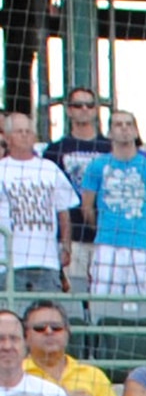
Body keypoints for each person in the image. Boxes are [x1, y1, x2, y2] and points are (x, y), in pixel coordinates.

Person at [76, 109, 146, 296]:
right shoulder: (96, 166)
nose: (124, 129)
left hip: (141, 246)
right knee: (102, 299)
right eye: (118, 124)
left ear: (135, 131)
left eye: (128, 124)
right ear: (109, 133)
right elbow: (87, 207)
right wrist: (104, 228)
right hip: (107, 245)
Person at [0, 112, 79, 292]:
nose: (25, 135)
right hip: (10, 262)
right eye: (19, 131)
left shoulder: (50, 169)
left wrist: (66, 246)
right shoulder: (2, 170)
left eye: (28, 131)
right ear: (7, 137)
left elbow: (63, 212)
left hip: (47, 261)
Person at [43, 87, 111, 293]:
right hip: (72, 236)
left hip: (107, 236)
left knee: (106, 297)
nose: (84, 109)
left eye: (89, 105)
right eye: (77, 105)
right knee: (75, 295)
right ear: (68, 110)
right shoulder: (55, 150)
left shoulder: (110, 148)